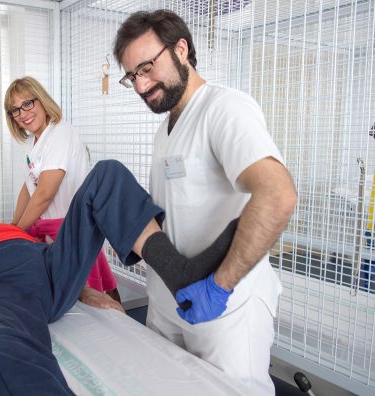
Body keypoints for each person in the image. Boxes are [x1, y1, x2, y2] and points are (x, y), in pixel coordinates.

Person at [0, 160, 239, 396]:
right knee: (1, 343)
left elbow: (50, 248)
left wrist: (82, 287)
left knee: (105, 175)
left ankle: (179, 274)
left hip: (46, 268)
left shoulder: (4, 227)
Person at [113, 10, 297, 395]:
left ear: (181, 49)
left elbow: (277, 194)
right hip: (167, 301)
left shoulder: (225, 109)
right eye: (132, 76)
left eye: (147, 67)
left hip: (225, 310)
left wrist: (219, 287)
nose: (142, 85)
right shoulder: (165, 128)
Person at [4, 76, 120, 301]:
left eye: (28, 103)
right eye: (15, 110)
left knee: (93, 295)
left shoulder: (60, 133)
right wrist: (14, 226)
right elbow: (28, 188)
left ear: (42, 100)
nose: (23, 113)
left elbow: (45, 193)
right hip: (48, 232)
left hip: (69, 229)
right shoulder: (34, 141)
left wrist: (18, 232)